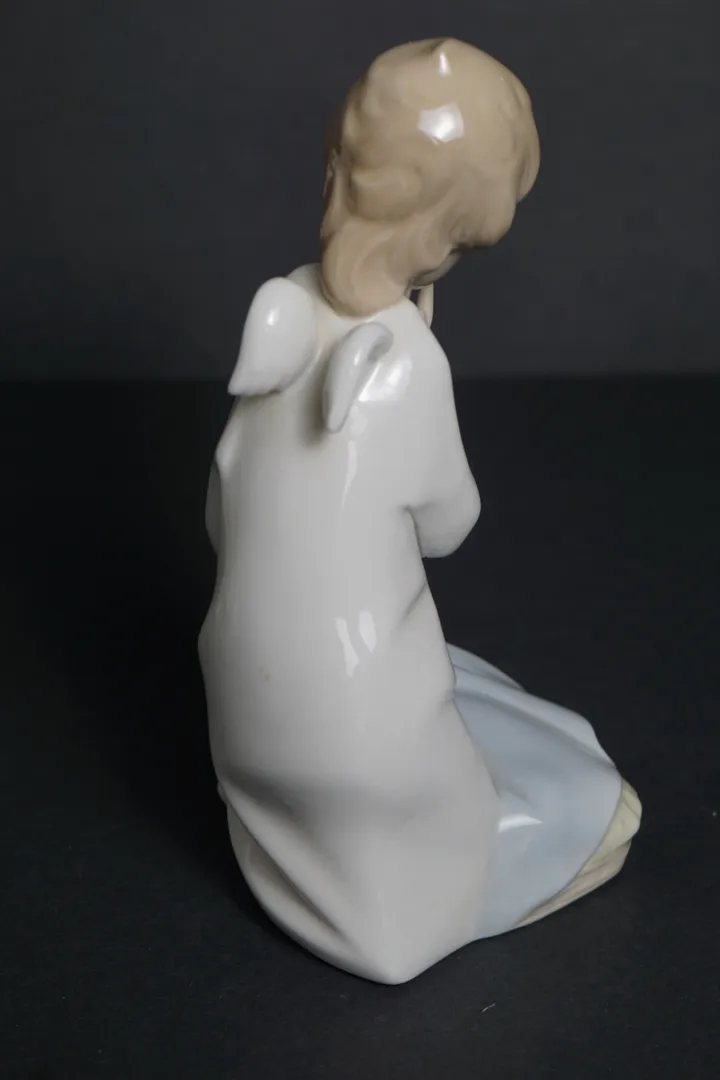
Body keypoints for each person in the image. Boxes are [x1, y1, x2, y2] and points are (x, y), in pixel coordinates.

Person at [199, 39, 640, 984]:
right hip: (364, 746)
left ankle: (306, 849)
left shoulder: (282, 309)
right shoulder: (404, 360)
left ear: (336, 167)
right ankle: (434, 888)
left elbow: (219, 517)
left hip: (245, 722)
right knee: (570, 781)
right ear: (447, 236)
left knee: (463, 682)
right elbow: (448, 525)